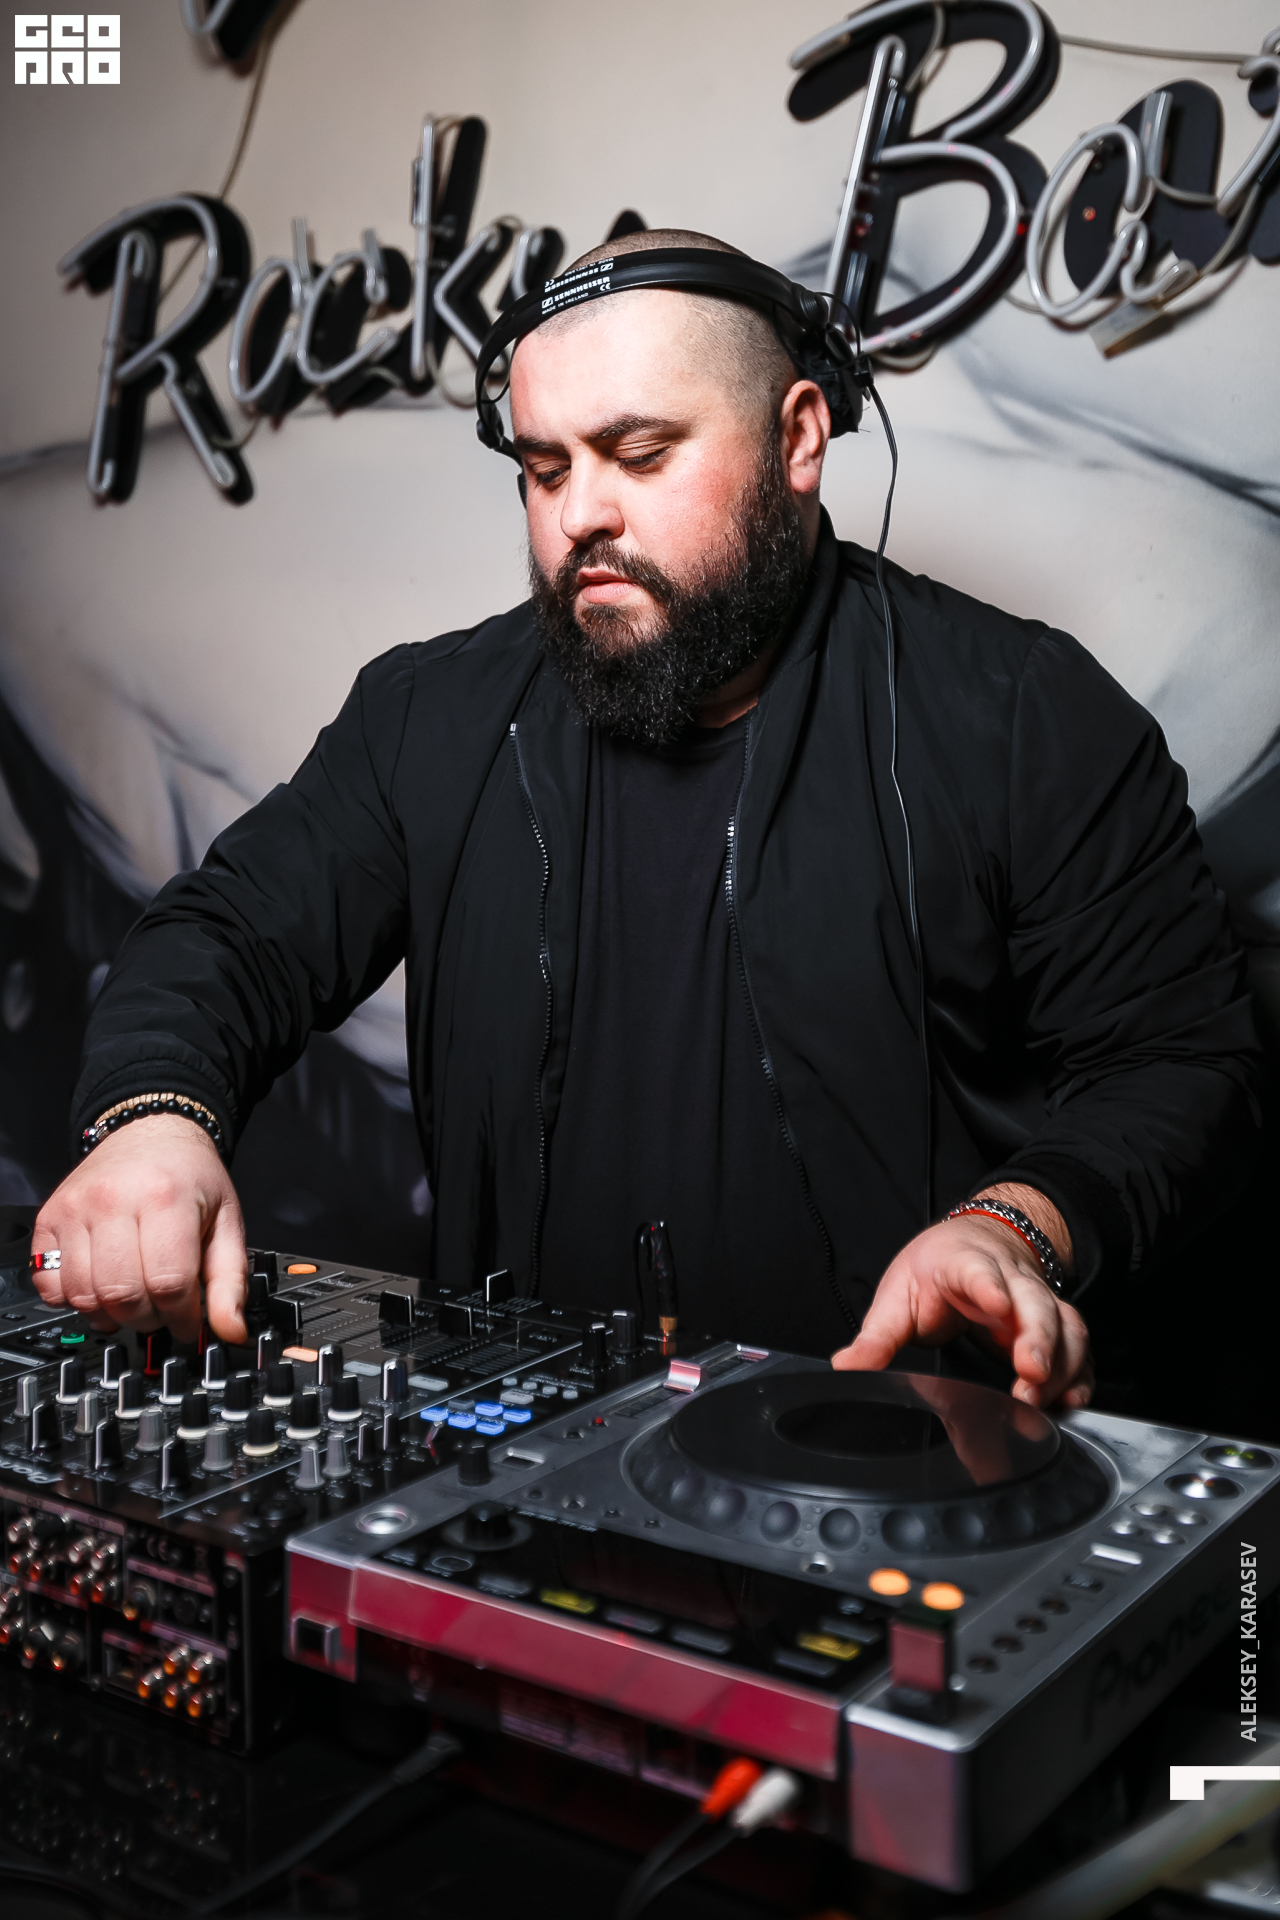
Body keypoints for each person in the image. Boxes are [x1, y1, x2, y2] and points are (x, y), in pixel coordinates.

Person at [30, 230, 1261, 1412]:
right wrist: (153, 1120)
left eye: (639, 453)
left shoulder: (1021, 715)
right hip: (524, 1466)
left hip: (899, 1454)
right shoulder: (426, 718)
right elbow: (229, 934)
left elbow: (1177, 1067)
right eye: (544, 468)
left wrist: (1010, 1228)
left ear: (797, 437)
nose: (579, 515)